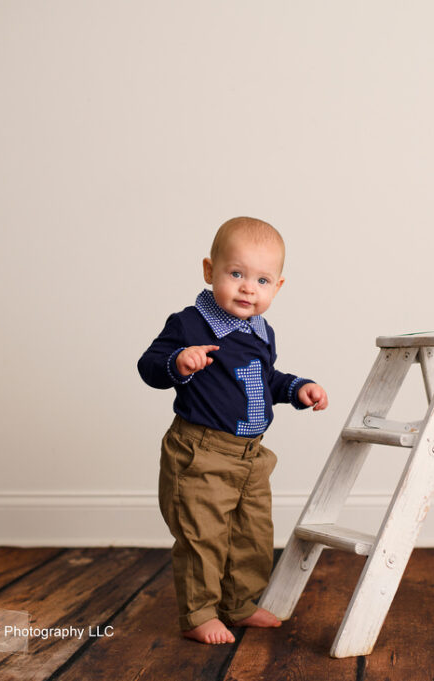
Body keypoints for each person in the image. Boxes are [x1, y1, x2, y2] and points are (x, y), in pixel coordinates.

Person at [138, 217, 328, 644]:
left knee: (253, 535)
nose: (248, 288)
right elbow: (149, 366)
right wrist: (178, 362)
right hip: (201, 453)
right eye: (236, 274)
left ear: (277, 288)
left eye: (262, 280)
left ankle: (239, 605)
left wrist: (298, 388)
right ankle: (199, 613)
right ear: (210, 272)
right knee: (201, 536)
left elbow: (265, 380)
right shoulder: (189, 324)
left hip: (252, 457)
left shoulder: (261, 332)